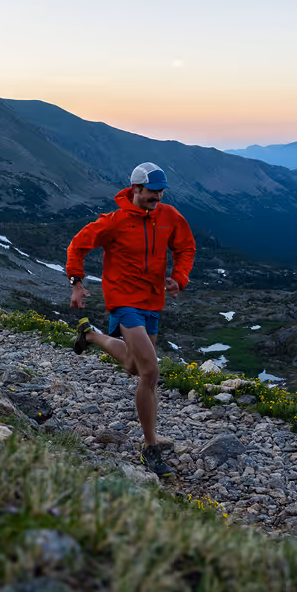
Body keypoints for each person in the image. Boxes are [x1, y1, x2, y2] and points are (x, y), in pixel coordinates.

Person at [65, 162, 196, 477]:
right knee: (150, 371)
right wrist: (77, 282)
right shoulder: (115, 222)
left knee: (135, 366)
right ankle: (149, 447)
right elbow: (78, 245)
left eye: (161, 192)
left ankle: (92, 336)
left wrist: (179, 276)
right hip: (123, 300)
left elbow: (186, 247)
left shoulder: (169, 216)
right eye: (152, 191)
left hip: (153, 301)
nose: (157, 197)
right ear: (136, 188)